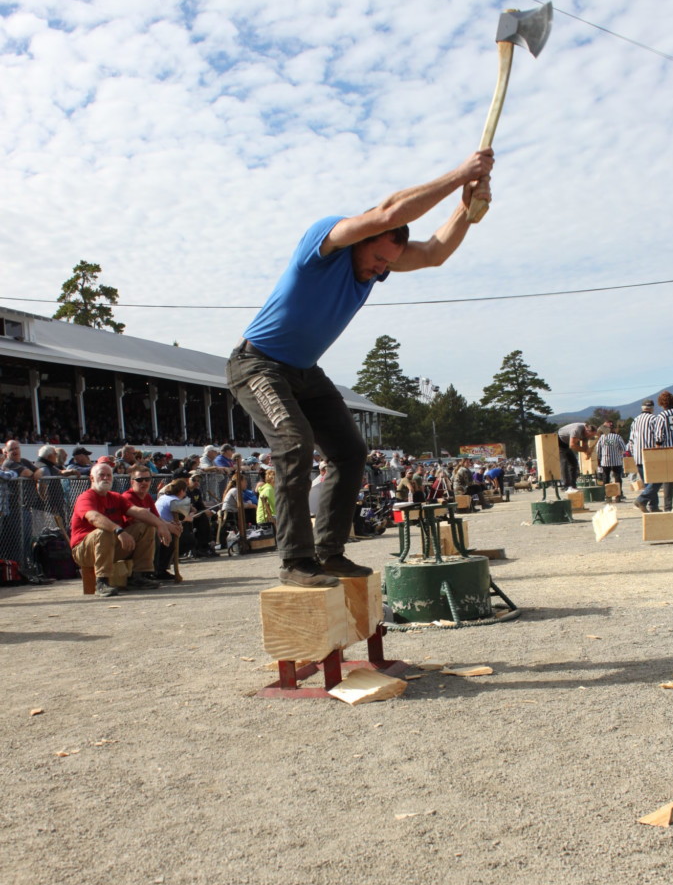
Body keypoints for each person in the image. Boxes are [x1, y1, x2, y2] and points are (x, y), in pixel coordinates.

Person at [226, 147, 494, 587]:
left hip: (305, 371)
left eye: (388, 263)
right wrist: (460, 173)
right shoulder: (327, 241)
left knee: (351, 453)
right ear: (364, 237)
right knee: (294, 445)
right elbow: (388, 210)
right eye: (377, 258)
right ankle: (296, 561)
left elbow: (434, 252)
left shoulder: (376, 262)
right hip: (257, 364)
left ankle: (329, 552)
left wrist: (467, 206)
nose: (380, 269)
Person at [70, 462, 160, 596]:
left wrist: (161, 525)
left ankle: (139, 577)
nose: (106, 478)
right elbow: (94, 517)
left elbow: (138, 511)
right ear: (92, 478)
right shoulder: (86, 497)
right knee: (104, 530)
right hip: (84, 551)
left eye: (109, 475)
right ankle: (101, 582)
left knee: (146, 527)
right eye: (101, 475)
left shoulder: (115, 497)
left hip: (110, 545)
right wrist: (118, 530)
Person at [628, 400, 660, 513]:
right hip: (650, 455)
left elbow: (631, 440)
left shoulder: (635, 421)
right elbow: (658, 437)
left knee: (648, 483)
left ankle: (654, 506)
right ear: (652, 408)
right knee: (657, 481)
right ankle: (642, 500)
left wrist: (633, 454)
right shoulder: (654, 419)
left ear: (642, 408)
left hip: (638, 456)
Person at [654, 390, 673, 512]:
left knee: (668, 482)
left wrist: (657, 449)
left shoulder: (662, 416)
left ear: (662, 404)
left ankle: (667, 508)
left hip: (668, 452)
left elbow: (659, 437)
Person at [557, 423, 598, 491]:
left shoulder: (587, 434)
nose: (590, 437)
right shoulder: (576, 430)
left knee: (574, 463)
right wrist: (585, 450)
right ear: (587, 431)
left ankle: (573, 485)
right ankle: (566, 486)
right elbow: (572, 445)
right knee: (564, 462)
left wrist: (587, 453)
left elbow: (585, 445)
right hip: (559, 440)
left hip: (567, 443)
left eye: (592, 436)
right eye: (590, 435)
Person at [595, 426, 627, 498]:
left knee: (606, 478)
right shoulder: (617, 437)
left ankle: (607, 495)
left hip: (605, 461)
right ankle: (618, 494)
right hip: (616, 461)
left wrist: (599, 459)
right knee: (617, 478)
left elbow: (598, 450)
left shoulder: (602, 438)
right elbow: (624, 448)